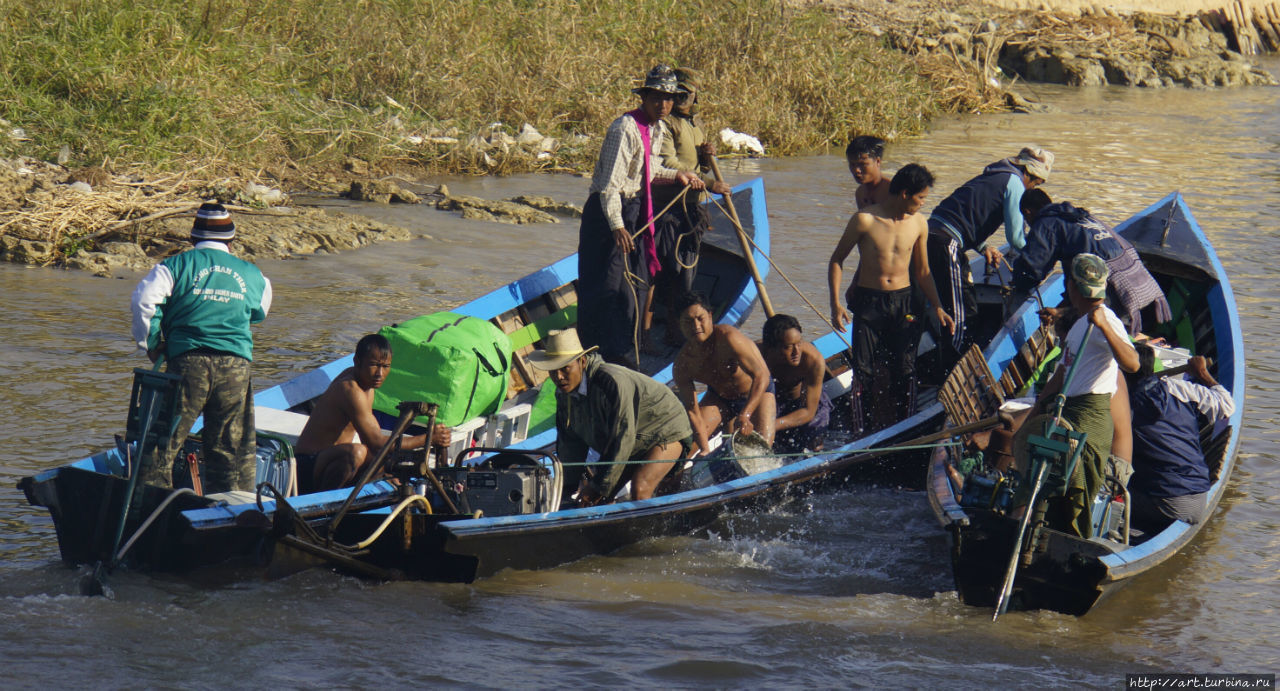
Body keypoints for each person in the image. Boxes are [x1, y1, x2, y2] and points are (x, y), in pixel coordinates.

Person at [130, 202, 272, 493]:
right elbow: (259, 312)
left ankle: (151, 507)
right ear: (231, 240)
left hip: (188, 363)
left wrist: (152, 344)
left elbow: (144, 302)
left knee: (163, 443)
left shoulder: (173, 267)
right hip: (235, 367)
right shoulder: (254, 275)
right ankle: (230, 510)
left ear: (192, 238)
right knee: (230, 448)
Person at [577, 64, 705, 369]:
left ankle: (620, 346)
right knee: (606, 284)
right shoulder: (625, 129)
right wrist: (618, 226)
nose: (663, 105)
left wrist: (679, 175)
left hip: (632, 209)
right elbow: (610, 186)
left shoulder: (657, 128)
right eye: (657, 98)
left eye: (669, 99)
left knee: (631, 283)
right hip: (608, 212)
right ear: (644, 97)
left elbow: (650, 170)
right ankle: (602, 351)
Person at [828, 164, 955, 433]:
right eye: (921, 198)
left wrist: (938, 306)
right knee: (863, 370)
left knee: (905, 368)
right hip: (869, 303)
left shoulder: (919, 223)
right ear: (906, 194)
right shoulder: (865, 219)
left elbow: (922, 272)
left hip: (905, 303)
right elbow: (837, 260)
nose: (923, 203)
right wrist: (835, 303)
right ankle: (863, 431)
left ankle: (904, 426)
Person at [1023, 254, 1139, 538]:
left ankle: (1075, 536)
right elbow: (1063, 374)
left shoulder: (1105, 321)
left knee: (1073, 484)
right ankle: (1031, 524)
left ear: (1073, 286)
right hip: (1067, 412)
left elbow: (1133, 363)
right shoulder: (1078, 324)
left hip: (1089, 419)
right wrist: (1036, 409)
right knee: (1029, 449)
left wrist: (1105, 327)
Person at [529, 328, 693, 503]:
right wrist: (566, 490)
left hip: (665, 430)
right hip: (630, 443)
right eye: (553, 371)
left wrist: (598, 485)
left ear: (582, 362)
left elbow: (621, 438)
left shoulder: (611, 382)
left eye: (565, 369)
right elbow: (570, 445)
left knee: (640, 488)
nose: (559, 377)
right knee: (592, 503)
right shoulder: (563, 395)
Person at [927, 147, 1053, 362]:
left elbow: (969, 215)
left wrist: (983, 247)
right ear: (1029, 174)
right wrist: (1041, 255)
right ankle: (949, 368)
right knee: (962, 314)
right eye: (1035, 183)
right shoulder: (1014, 183)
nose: (1031, 188)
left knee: (951, 303)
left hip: (932, 234)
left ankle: (941, 357)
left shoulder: (994, 174)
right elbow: (1015, 238)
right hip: (946, 242)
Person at [643, 67, 733, 350]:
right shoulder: (666, 124)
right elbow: (668, 164)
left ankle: (674, 332)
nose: (680, 98)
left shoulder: (696, 124)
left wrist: (706, 160)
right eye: (677, 92)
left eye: (686, 94)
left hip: (690, 212)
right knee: (657, 273)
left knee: (684, 278)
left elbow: (695, 167)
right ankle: (644, 336)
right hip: (665, 209)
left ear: (696, 97)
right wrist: (707, 181)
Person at [294, 334, 451, 493]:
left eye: (386, 366)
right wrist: (429, 438)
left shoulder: (367, 385)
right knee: (357, 452)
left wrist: (389, 473)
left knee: (382, 460)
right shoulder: (350, 390)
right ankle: (325, 507)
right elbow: (377, 442)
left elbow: (376, 448)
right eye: (374, 365)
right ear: (357, 362)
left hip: (328, 464)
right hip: (306, 468)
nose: (380, 374)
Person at [1014, 190, 1171, 336]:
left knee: (1090, 327)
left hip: (1109, 284)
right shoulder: (1082, 216)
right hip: (1134, 281)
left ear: (1027, 212)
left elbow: (1032, 268)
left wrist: (1019, 285)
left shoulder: (1046, 223)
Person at [1126, 345, 1234, 534]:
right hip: (1199, 497)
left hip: (1166, 504)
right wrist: (1202, 373)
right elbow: (1226, 405)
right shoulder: (1179, 388)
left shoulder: (1123, 404)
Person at [672, 291, 777, 454]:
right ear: (679, 324)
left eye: (700, 318)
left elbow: (761, 375)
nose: (696, 326)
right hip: (720, 398)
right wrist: (704, 449)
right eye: (688, 321)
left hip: (757, 392)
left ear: (710, 316)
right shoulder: (683, 364)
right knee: (685, 447)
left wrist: (746, 414)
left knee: (761, 451)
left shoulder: (729, 338)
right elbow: (693, 412)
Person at [760, 314, 831, 455]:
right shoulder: (757, 356)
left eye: (799, 344)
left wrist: (771, 425)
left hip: (804, 405)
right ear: (771, 347)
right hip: (773, 401)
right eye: (788, 347)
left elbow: (809, 411)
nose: (796, 352)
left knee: (815, 444)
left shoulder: (813, 360)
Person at [846, 135, 890, 210]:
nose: (856, 170)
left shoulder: (892, 192)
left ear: (878, 161)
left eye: (862, 164)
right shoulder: (860, 193)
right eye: (852, 164)